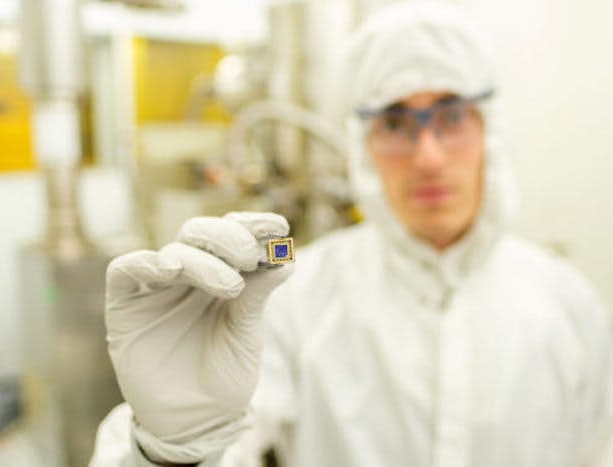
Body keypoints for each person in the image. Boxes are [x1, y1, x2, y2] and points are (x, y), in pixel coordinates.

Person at [90, 2, 613, 466]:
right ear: (363, 146)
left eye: (452, 116)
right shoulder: (294, 300)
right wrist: (173, 449)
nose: (428, 156)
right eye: (395, 123)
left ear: (489, 131)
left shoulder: (568, 306)